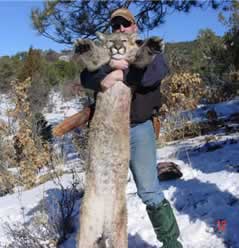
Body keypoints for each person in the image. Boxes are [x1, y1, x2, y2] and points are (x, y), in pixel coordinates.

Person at [80, 8, 183, 248]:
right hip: (108, 133)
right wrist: (104, 77)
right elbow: (86, 77)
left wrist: (121, 70)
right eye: (115, 26)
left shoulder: (149, 50)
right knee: (103, 196)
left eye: (125, 25)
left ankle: (171, 243)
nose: (120, 29)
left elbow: (151, 76)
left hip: (138, 131)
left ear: (134, 27)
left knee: (149, 191)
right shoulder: (105, 51)